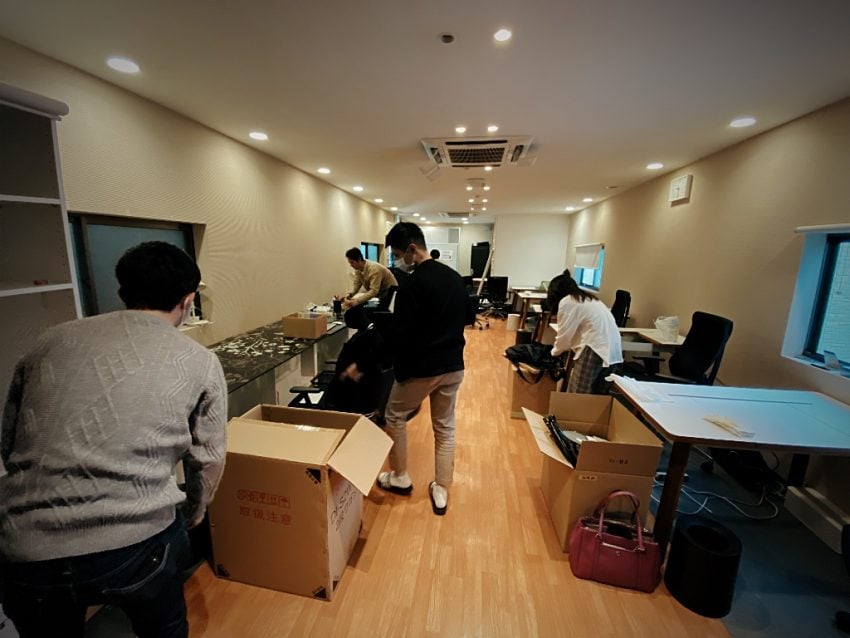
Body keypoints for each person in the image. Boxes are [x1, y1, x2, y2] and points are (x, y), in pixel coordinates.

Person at [0, 241, 228, 638]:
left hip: (24, 546)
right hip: (136, 543)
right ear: (188, 300)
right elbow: (208, 458)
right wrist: (194, 510)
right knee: (165, 628)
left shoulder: (49, 341)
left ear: (123, 292)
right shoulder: (198, 360)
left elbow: (10, 440)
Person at [376, 222, 468, 516]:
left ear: (412, 249)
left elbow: (403, 333)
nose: (396, 260)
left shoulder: (412, 284)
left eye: (397, 254)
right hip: (454, 365)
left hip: (423, 368)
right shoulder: (455, 278)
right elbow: (467, 317)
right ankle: (441, 488)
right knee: (445, 426)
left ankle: (400, 476)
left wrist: (395, 364)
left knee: (394, 414)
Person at [550, 270, 623, 394]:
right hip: (614, 350)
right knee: (596, 397)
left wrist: (553, 353)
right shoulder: (590, 299)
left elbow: (564, 337)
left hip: (594, 349)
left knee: (578, 394)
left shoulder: (567, 301)